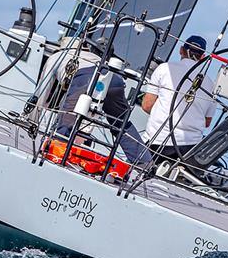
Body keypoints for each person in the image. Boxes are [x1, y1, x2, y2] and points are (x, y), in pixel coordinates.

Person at [43, 38, 152, 166]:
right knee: (121, 122)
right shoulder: (101, 61)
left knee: (69, 115)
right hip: (115, 80)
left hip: (86, 76)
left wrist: (32, 122)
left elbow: (43, 93)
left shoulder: (57, 56)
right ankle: (144, 161)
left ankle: (57, 147)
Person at [141, 35, 216, 161]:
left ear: (181, 50)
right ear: (202, 57)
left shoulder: (164, 68)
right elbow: (207, 122)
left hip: (157, 142)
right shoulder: (211, 84)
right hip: (190, 149)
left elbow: (147, 106)